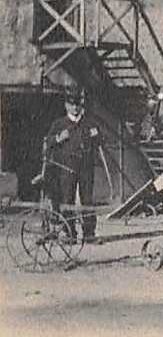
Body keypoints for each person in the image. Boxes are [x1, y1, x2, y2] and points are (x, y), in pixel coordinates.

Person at [42, 87, 103, 243]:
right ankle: (70, 234)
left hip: (86, 168)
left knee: (87, 199)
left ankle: (89, 234)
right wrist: (57, 138)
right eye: (72, 105)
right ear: (66, 106)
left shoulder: (89, 123)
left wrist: (97, 136)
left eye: (78, 105)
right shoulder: (59, 124)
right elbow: (47, 143)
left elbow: (101, 142)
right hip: (67, 168)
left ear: (81, 106)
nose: (75, 108)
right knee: (67, 199)